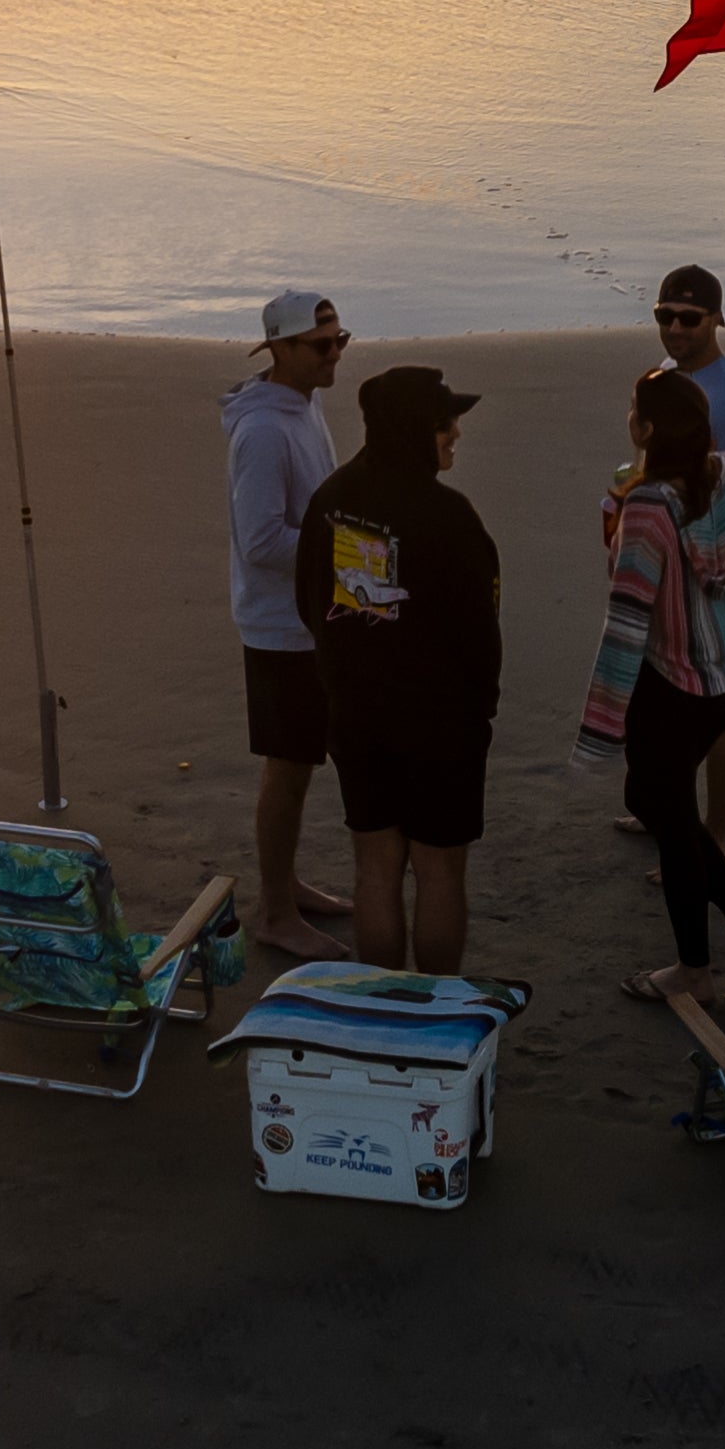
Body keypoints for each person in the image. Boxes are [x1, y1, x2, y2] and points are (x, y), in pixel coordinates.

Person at [577, 365, 725, 1006]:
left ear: (643, 428)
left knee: (658, 805)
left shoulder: (644, 506)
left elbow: (627, 618)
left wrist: (601, 724)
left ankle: (695, 968)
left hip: (677, 685)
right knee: (671, 809)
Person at [296, 365, 499, 975]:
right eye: (445, 423)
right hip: (442, 724)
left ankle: (383, 1003)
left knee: (376, 868)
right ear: (417, 429)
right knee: (439, 871)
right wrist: (479, 708)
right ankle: (434, 1006)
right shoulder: (451, 515)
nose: (456, 432)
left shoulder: (332, 499)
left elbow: (309, 603)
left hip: (360, 716)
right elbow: (480, 631)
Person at [615, 263, 725, 849]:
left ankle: (717, 834)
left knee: (719, 712)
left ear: (717, 319)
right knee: (668, 705)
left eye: (690, 317)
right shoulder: (664, 379)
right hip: (665, 577)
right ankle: (669, 810)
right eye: (665, 315)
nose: (675, 328)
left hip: (717, 581)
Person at [218, 289, 352, 956]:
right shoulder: (264, 430)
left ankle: (287, 884)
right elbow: (261, 540)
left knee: (300, 760)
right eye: (321, 346)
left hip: (313, 617)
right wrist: (348, 549)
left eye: (340, 342)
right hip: (279, 626)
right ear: (281, 349)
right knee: (288, 764)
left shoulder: (303, 401)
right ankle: (272, 910)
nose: (334, 356)